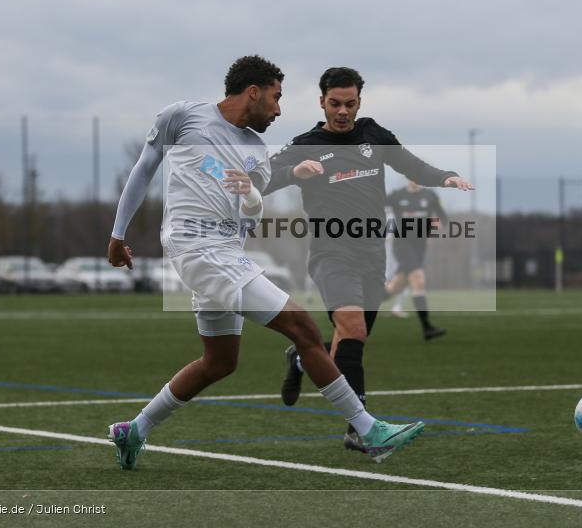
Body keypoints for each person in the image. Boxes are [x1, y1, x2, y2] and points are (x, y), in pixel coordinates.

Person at [106, 55, 424, 469]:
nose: (279, 110)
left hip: (226, 252)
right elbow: (145, 167)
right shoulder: (183, 116)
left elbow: (251, 212)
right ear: (252, 92)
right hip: (198, 249)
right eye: (275, 99)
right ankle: (367, 429)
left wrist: (251, 194)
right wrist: (117, 234)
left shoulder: (256, 149)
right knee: (304, 328)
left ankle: (133, 431)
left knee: (220, 362)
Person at [264, 66, 472, 452]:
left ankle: (302, 359)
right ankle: (359, 428)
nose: (343, 111)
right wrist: (294, 170)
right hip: (331, 252)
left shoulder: (374, 134)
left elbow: (412, 165)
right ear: (321, 101)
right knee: (354, 327)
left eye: (350, 104)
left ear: (359, 102)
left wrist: (446, 176)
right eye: (335, 103)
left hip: (373, 253)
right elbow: (265, 176)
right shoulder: (306, 143)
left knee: (350, 338)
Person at [385, 179, 449, 340]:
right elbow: (377, 206)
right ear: (406, 177)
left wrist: (436, 225)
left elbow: (442, 217)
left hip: (420, 246)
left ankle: (365, 303)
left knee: (395, 288)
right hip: (402, 244)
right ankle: (428, 328)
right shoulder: (397, 195)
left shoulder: (430, 195)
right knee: (418, 280)